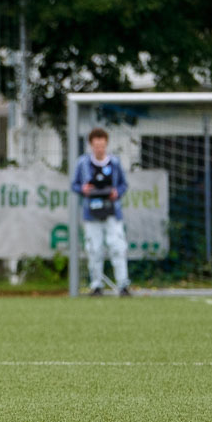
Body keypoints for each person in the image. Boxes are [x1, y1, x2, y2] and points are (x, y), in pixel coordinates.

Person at [71, 127, 130, 296]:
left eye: (102, 146)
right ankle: (96, 286)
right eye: (96, 146)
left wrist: (116, 192)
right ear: (91, 145)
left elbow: (123, 185)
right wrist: (84, 189)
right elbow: (74, 185)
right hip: (92, 213)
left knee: (117, 247)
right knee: (94, 249)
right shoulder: (82, 163)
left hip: (112, 212)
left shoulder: (115, 163)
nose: (100, 149)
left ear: (106, 144)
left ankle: (123, 285)